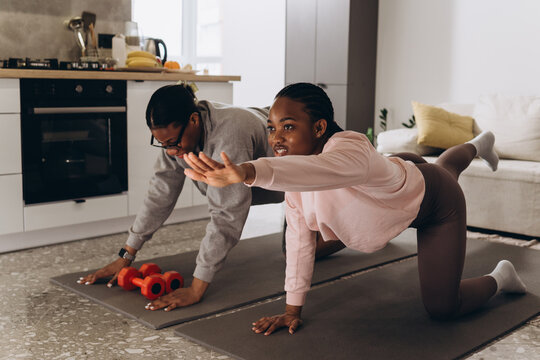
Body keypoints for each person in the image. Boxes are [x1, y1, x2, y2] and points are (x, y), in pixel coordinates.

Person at [182, 82, 527, 335]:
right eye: (271, 128)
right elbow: (301, 243)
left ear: (318, 128)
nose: (275, 138)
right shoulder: (297, 179)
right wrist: (291, 309)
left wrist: (248, 171)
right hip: (389, 183)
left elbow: (323, 170)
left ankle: (502, 276)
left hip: (434, 203)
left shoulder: (348, 148)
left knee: (443, 307)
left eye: (288, 127)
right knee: (435, 169)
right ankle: (477, 145)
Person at [77, 83, 287, 311]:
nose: (170, 151)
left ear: (194, 121)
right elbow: (160, 193)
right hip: (261, 169)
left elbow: (227, 215)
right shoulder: (176, 141)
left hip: (299, 167)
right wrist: (126, 255)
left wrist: (197, 288)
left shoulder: (229, 135)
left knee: (312, 247)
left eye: (173, 143)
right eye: (162, 144)